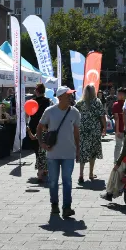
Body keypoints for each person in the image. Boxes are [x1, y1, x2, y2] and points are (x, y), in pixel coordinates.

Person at [37, 87, 81, 217]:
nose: (71, 98)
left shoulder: (75, 112)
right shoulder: (49, 111)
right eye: (68, 95)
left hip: (69, 153)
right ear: (60, 97)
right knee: (53, 181)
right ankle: (54, 205)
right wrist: (41, 143)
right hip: (53, 153)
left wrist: (78, 149)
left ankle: (67, 207)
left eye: (71, 95)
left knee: (67, 181)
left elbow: (76, 132)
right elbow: (39, 127)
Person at [76, 84, 106, 183]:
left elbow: (74, 115)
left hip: (83, 130)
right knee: (93, 152)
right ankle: (91, 173)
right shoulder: (97, 102)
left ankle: (81, 174)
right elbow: (102, 116)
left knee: (83, 152)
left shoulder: (80, 102)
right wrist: (104, 127)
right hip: (94, 130)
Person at [26, 83, 51, 184]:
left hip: (34, 125)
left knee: (37, 148)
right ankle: (44, 169)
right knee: (44, 148)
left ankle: (41, 170)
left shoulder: (33, 101)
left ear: (37, 91)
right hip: (45, 125)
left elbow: (28, 113)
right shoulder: (48, 101)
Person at [110, 88, 126, 162]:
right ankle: (118, 161)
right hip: (124, 129)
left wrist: (117, 131)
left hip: (123, 129)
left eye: (119, 94)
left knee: (118, 146)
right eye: (117, 94)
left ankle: (117, 162)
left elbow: (117, 118)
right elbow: (116, 118)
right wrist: (117, 131)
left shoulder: (118, 104)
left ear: (124, 95)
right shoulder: (117, 104)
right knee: (122, 146)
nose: (118, 95)